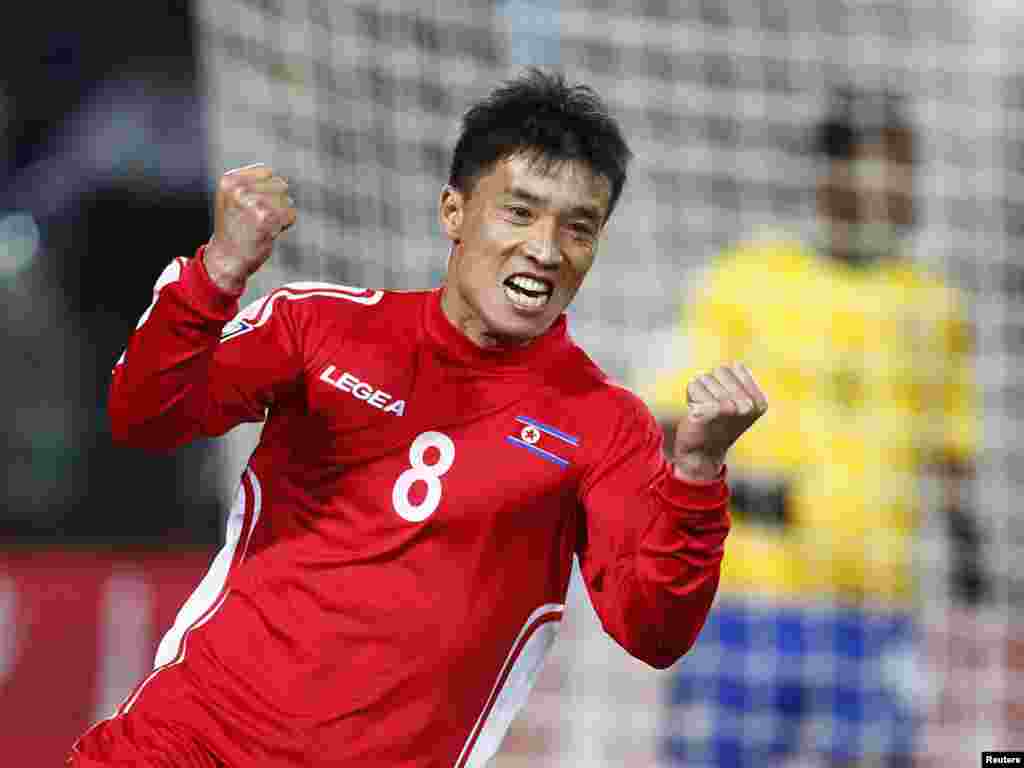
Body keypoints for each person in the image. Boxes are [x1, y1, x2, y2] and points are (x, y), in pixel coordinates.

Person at [67, 68, 767, 768]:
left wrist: (698, 475)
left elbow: (654, 630)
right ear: (454, 212)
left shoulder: (603, 424)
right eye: (520, 212)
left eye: (577, 227)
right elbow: (144, 416)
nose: (547, 249)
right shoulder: (319, 326)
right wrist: (218, 270)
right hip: (182, 747)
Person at [651, 88, 983, 767]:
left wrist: (966, 540)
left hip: (876, 607)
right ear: (831, 173)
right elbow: (666, 420)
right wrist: (735, 490)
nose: (897, 184)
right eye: (880, 163)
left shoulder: (932, 304)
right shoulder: (748, 279)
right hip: (751, 597)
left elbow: (951, 445)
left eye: (905, 166)